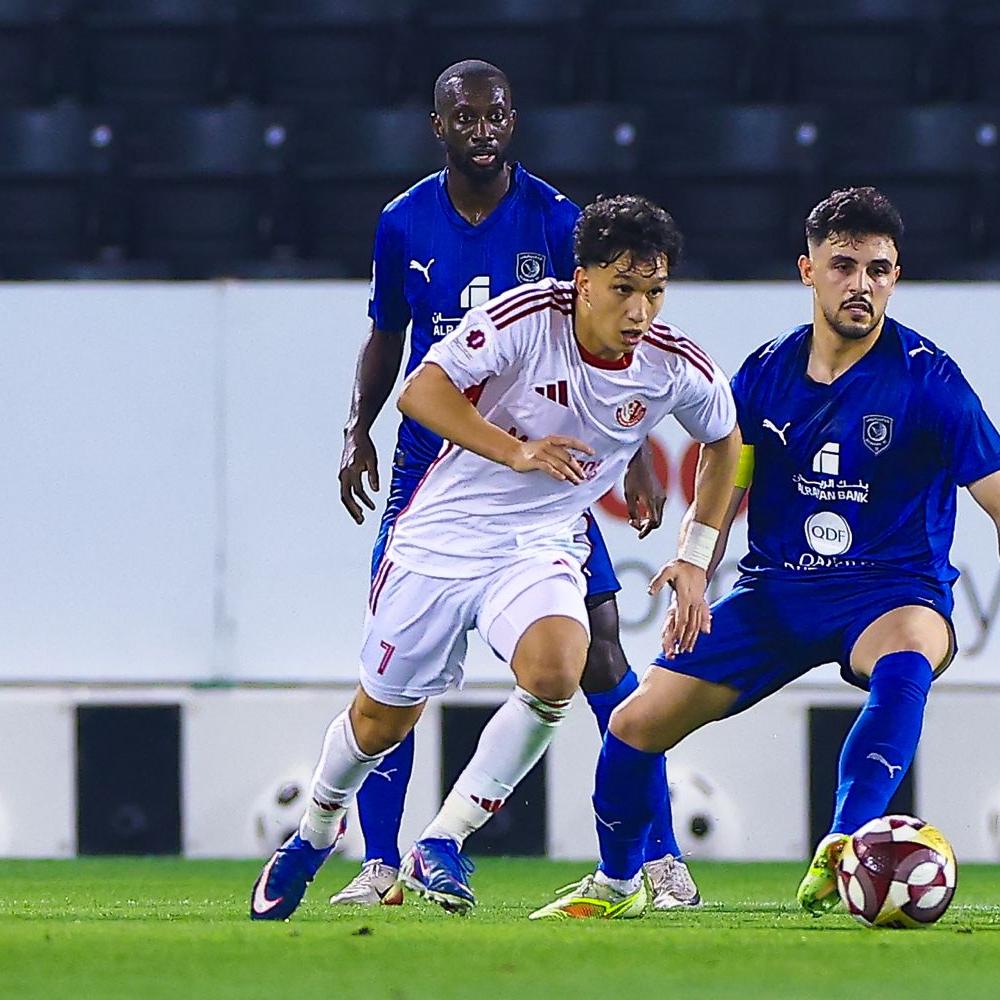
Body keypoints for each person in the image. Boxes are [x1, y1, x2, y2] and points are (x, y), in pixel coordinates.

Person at [250, 194, 742, 920]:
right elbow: (421, 393)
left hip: (539, 544)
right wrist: (517, 450)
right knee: (380, 722)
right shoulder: (527, 317)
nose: (640, 311)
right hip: (442, 537)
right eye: (623, 289)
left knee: (559, 669)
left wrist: (696, 559)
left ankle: (442, 841)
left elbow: (725, 441)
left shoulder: (672, 365)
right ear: (582, 280)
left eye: (655, 292)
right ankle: (315, 833)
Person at [530, 185, 1000, 921]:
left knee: (908, 655)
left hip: (891, 593)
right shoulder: (766, 373)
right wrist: (694, 563)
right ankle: (619, 881)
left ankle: (845, 842)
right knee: (634, 724)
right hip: (776, 594)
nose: (862, 285)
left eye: (879, 270)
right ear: (808, 270)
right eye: (844, 266)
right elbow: (727, 474)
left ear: (895, 277)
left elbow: (995, 492)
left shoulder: (930, 379)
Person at [332, 58, 685, 910]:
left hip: (545, 473)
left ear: (513, 121)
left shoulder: (558, 220)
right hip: (433, 472)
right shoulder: (403, 221)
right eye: (466, 117)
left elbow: (609, 342)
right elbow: (387, 336)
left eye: (496, 116)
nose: (483, 130)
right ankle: (379, 864)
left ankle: (660, 856)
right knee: (397, 667)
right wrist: (356, 429)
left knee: (602, 651)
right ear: (439, 126)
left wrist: (636, 451)